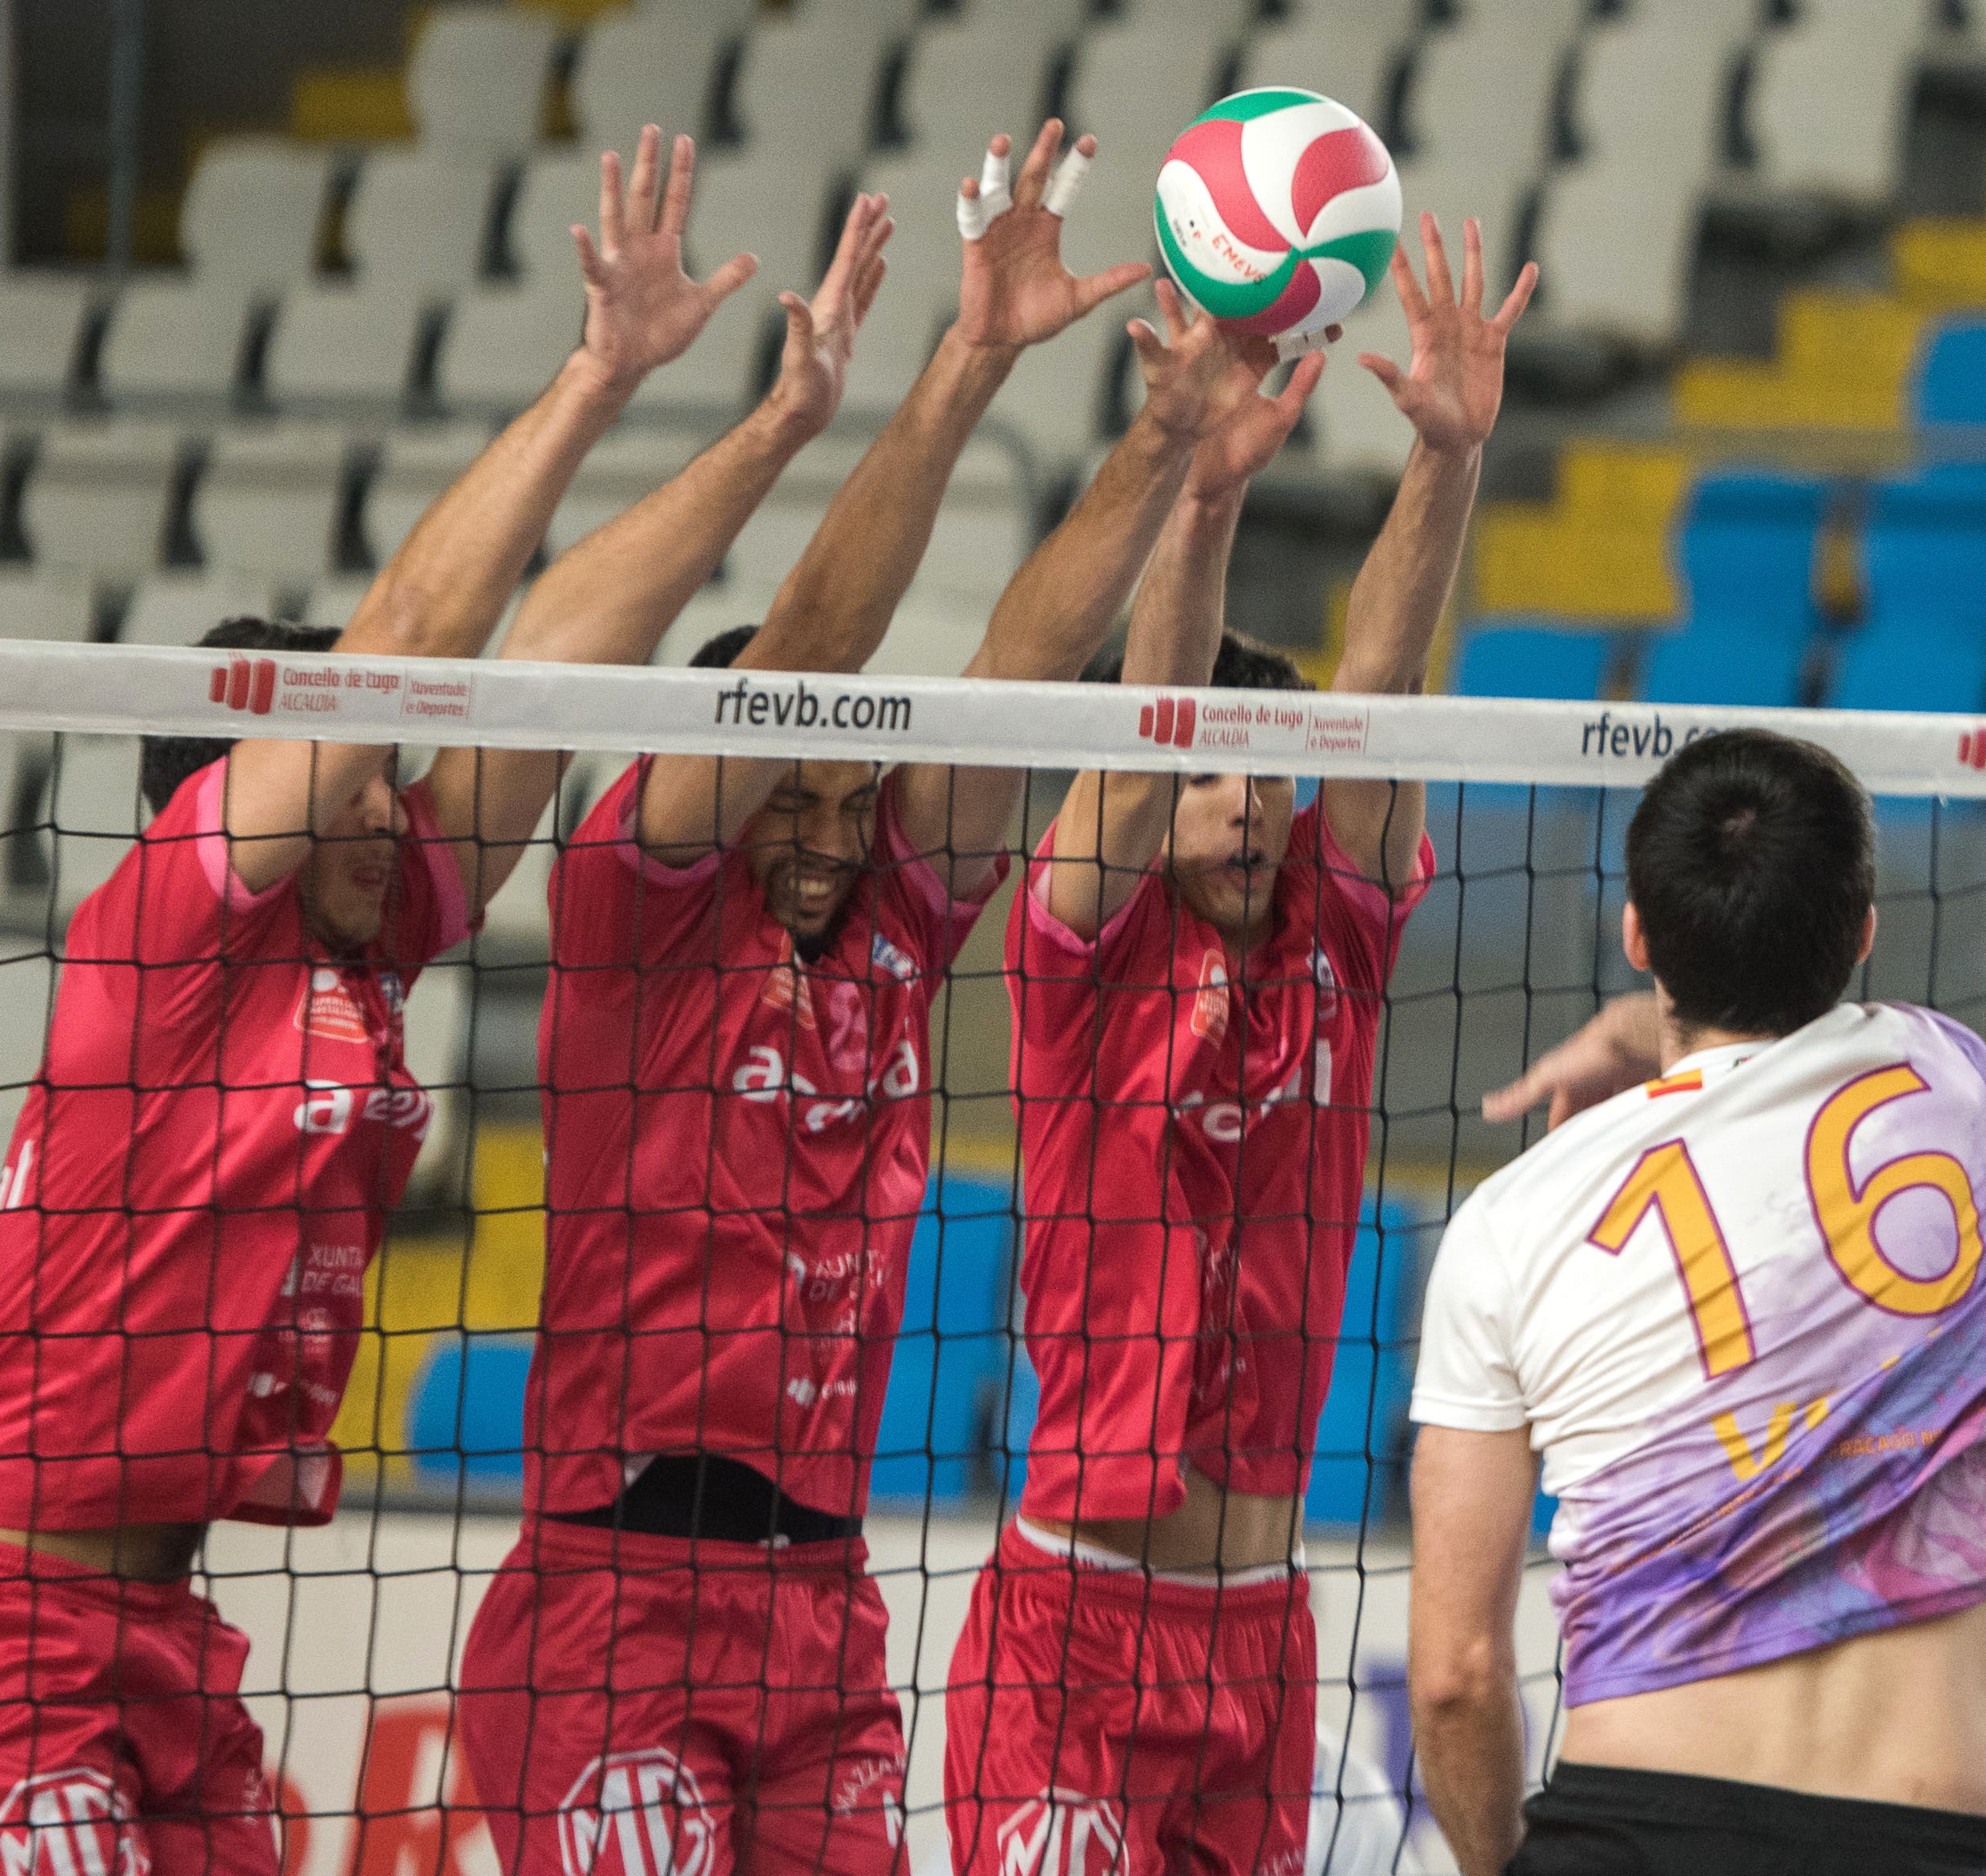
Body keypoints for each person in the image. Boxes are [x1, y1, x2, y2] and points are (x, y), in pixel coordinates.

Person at [0, 130, 821, 1876]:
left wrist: (769, 433)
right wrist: (593, 376)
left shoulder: (370, 944)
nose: (391, 805)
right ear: (241, 792)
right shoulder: (172, 931)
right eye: (355, 774)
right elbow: (414, 625)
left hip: (161, 1641)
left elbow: (544, 671)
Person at [453, 121, 1286, 1876]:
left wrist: (1163, 436)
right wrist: (964, 366)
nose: (832, 837)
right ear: (715, 775)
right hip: (616, 1591)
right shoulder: (634, 907)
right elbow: (809, 654)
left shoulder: (895, 914)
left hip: (821, 1608)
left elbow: (1022, 667)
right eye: (796, 800)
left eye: (854, 802)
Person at [944, 217, 1538, 1876]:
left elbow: (1380, 678)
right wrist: (1203, 496)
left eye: (1267, 772)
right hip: (1072, 1624)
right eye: (1215, 770)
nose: (1247, 799)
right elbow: (1143, 736)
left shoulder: (1338, 941)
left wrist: (1446, 455)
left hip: (1260, 1633)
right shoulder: (1082, 952)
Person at [1407, 729, 1986, 1876]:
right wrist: (1637, 1034)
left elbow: (1456, 1674)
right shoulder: (1948, 1081)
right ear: (1862, 934)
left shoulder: (1509, 1221)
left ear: (1636, 935)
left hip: (1630, 1832)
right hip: (1917, 1837)